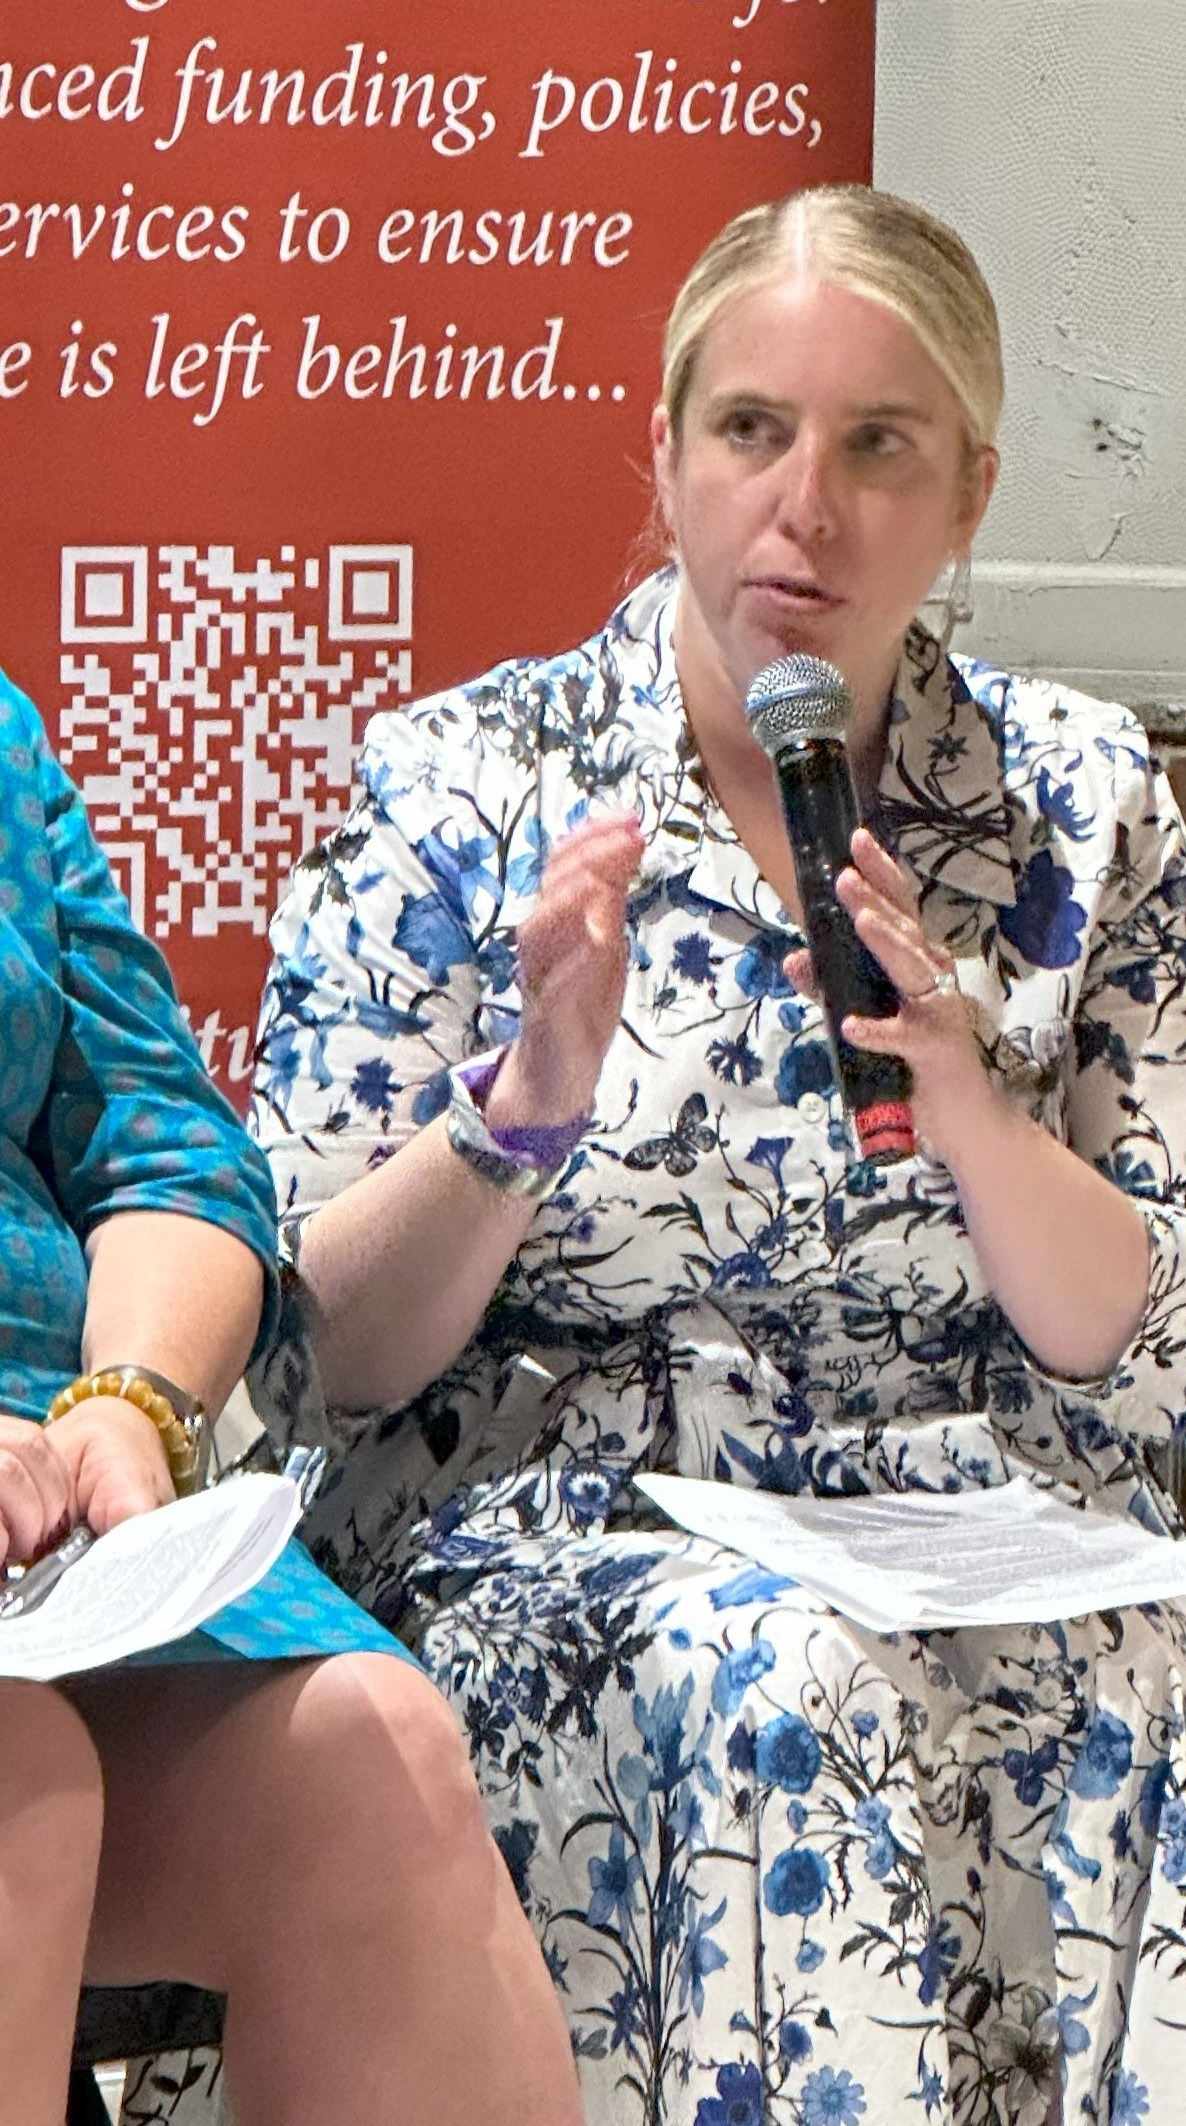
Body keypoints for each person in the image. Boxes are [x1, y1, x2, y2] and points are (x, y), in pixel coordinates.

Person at [147, 186, 1186, 2126]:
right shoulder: (473, 785)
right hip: (564, 1531)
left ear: (966, 496)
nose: (808, 505)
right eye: (751, 432)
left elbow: (1159, 1337)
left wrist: (967, 1110)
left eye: (879, 447)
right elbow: (313, 1352)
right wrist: (515, 1111)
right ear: (668, 457)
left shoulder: (1077, 806)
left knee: (1155, 1670)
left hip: (975, 1520)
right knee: (788, 1685)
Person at [0, 672, 580, 2126]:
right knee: (22, 1790)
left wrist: (129, 1405)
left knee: (372, 1760)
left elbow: (166, 1150)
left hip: (46, 1536)